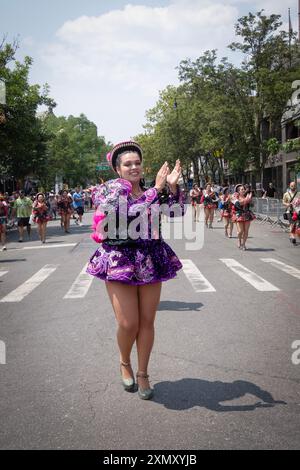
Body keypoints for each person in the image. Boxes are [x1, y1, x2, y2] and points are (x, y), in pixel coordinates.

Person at [86, 141, 185, 400]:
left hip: (151, 258)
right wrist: (158, 188)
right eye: (127, 164)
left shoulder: (154, 188)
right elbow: (128, 214)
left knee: (147, 322)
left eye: (137, 163)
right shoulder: (109, 190)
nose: (133, 167)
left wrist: (172, 186)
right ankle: (124, 361)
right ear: (118, 169)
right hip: (119, 259)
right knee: (128, 323)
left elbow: (176, 212)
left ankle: (143, 373)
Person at [231, 184, 255, 250]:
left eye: (244, 189)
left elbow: (252, 205)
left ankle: (243, 244)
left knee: (246, 231)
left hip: (247, 214)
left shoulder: (247, 196)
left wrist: (250, 200)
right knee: (240, 231)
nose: (243, 190)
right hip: (239, 215)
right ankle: (239, 241)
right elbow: (238, 204)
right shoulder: (234, 197)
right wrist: (247, 200)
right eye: (242, 189)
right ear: (238, 191)